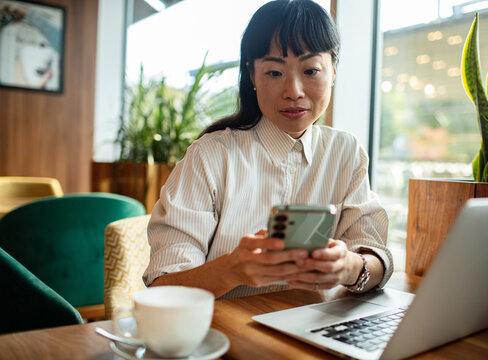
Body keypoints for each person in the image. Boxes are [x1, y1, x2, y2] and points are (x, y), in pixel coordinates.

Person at [143, 0, 393, 299]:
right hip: (225, 335)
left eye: (311, 70)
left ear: (334, 71)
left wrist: (350, 267)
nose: (294, 91)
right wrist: (232, 269)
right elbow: (162, 287)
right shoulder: (209, 156)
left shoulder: (345, 151)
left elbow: (377, 257)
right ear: (252, 75)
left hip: (313, 329)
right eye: (275, 73)